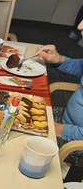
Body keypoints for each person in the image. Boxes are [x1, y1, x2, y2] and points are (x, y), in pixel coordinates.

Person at [36, 20, 83, 162]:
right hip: (66, 121)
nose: (80, 26)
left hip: (75, 144)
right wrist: (58, 60)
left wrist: (52, 127)